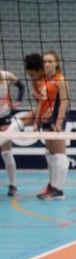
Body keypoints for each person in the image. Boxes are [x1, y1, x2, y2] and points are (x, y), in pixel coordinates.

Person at [31, 50, 70, 200]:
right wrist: (37, 121)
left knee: (60, 154)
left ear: (57, 63)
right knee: (51, 153)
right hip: (45, 120)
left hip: (56, 119)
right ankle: (52, 186)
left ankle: (58, 190)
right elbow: (41, 103)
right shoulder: (43, 81)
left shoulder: (61, 80)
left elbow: (64, 102)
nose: (47, 64)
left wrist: (59, 121)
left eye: (50, 61)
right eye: (45, 61)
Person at [0, 66, 22, 196]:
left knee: (6, 152)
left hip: (4, 117)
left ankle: (13, 185)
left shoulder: (6, 75)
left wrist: (18, 102)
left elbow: (21, 86)